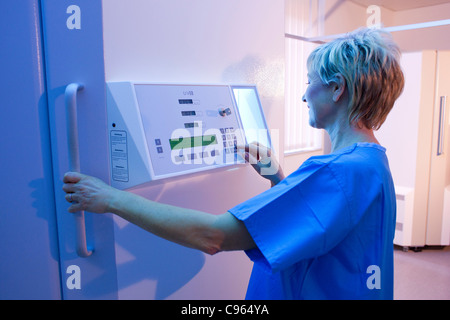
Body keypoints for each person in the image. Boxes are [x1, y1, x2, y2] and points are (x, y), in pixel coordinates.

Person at [63, 27, 405, 300]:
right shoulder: (373, 163)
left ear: (337, 89)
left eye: (309, 82)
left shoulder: (338, 172)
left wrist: (110, 198)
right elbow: (326, 228)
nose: (304, 95)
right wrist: (278, 180)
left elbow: (213, 236)